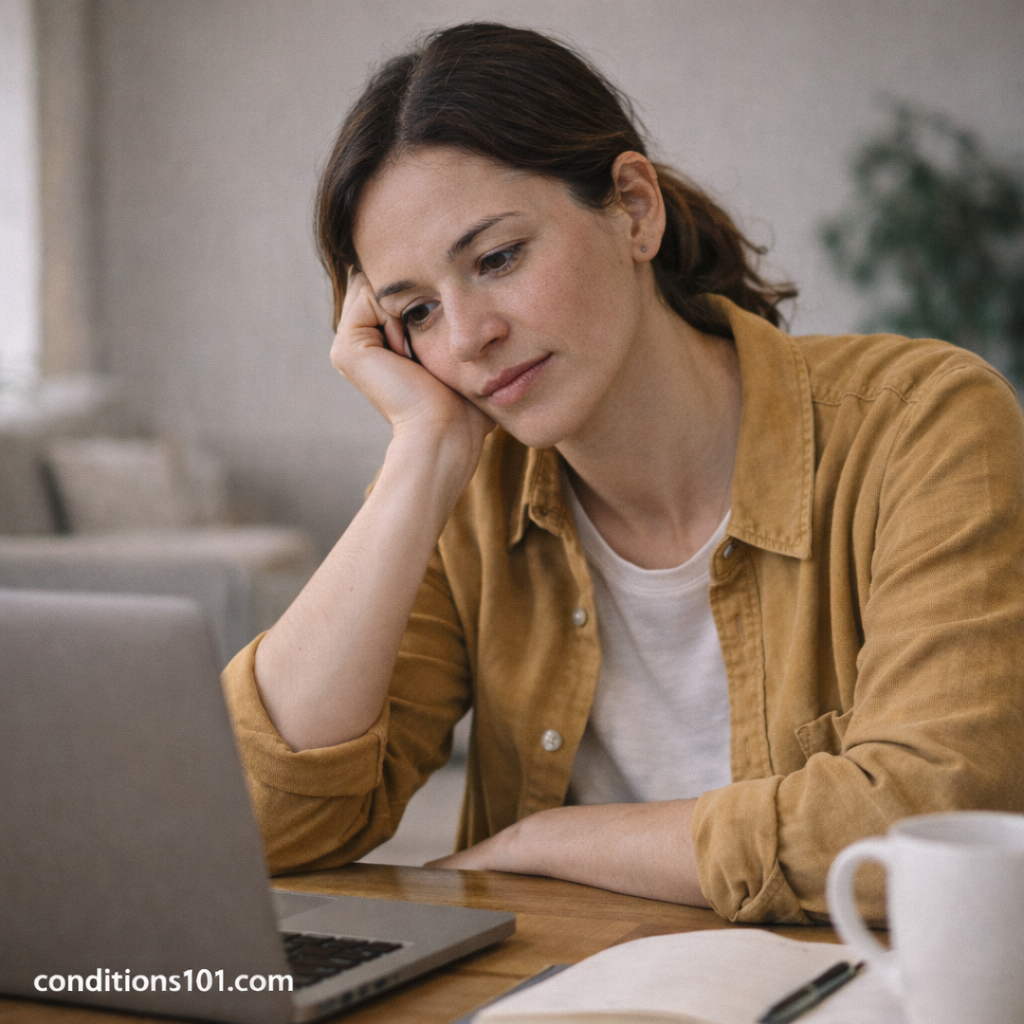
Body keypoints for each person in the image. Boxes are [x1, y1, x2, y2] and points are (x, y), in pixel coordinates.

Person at [221, 22, 1024, 924]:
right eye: (416, 310)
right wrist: (422, 453)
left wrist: (549, 840)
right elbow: (246, 824)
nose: (468, 335)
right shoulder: (464, 491)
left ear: (634, 210)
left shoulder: (923, 423)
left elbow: (928, 818)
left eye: (497, 259)